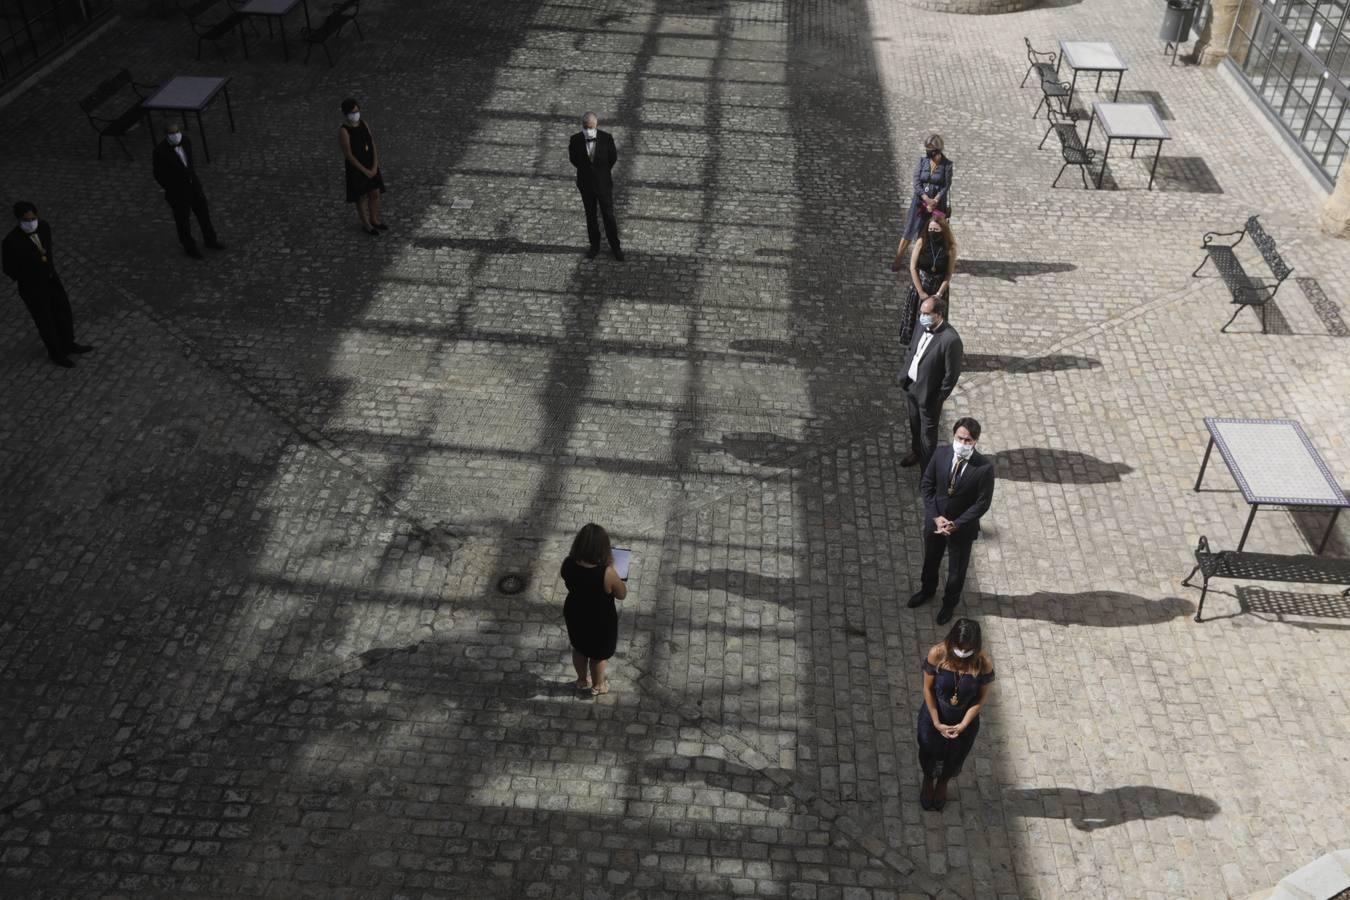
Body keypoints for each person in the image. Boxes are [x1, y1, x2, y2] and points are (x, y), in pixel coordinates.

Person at [909, 418, 995, 624]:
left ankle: (949, 603)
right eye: (960, 438)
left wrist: (956, 524)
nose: (963, 443)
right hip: (935, 522)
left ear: (975, 441)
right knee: (931, 559)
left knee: (956, 570)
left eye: (968, 440)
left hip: (961, 529)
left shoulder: (984, 469)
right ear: (954, 436)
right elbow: (927, 485)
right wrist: (936, 517)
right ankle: (927, 590)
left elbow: (981, 504)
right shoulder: (941, 453)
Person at [2, 201, 93, 368]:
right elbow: (8, 268)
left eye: (33, 218)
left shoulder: (44, 227)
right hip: (33, 288)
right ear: (18, 220)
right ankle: (56, 353)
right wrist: (29, 275)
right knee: (46, 321)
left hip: (51, 280)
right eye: (26, 220)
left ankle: (68, 343)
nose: (30, 223)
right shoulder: (11, 242)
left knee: (63, 311)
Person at [916, 617, 994, 811]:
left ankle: (942, 783)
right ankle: (928, 779)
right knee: (928, 751)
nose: (961, 657)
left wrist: (964, 724)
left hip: (963, 722)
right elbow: (928, 689)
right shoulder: (937, 653)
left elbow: (980, 699)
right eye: (958, 649)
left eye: (967, 651)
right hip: (934, 715)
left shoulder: (983, 663)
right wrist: (936, 722)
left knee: (955, 756)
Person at [560, 522, 628, 695]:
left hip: (575, 613)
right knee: (598, 656)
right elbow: (621, 594)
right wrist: (611, 569)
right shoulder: (606, 573)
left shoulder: (568, 563)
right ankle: (598, 685)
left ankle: (581, 680)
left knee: (580, 648)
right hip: (600, 620)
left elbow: (567, 578)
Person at [898, 295, 962, 470]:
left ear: (939, 314)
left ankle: (927, 471)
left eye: (926, 313)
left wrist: (938, 397)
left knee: (928, 435)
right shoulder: (921, 325)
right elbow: (912, 348)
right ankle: (916, 452)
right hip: (911, 386)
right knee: (914, 425)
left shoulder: (951, 340)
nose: (922, 316)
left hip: (929, 395)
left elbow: (951, 375)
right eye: (921, 312)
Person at [152, 122, 222, 259]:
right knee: (183, 221)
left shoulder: (186, 141)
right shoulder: (160, 151)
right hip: (177, 192)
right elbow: (158, 174)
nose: (175, 135)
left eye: (176, 132)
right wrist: (171, 187)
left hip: (193, 186)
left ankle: (210, 240)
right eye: (172, 133)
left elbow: (189, 163)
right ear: (167, 135)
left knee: (203, 214)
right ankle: (189, 247)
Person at [891, 134, 953, 272]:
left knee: (932, 232)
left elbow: (946, 185)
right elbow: (917, 182)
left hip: (937, 205)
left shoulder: (947, 165)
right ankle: (898, 258)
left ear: (938, 149)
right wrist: (926, 198)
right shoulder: (922, 161)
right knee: (909, 230)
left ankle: (925, 260)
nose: (928, 152)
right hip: (920, 203)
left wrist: (936, 199)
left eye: (930, 149)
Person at [568, 111, 623, 261]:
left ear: (596, 125)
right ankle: (595, 246)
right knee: (590, 216)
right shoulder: (575, 140)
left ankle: (615, 246)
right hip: (586, 185)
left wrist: (602, 173)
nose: (588, 130)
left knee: (608, 216)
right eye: (586, 127)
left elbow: (612, 158)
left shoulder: (606, 138)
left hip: (603, 184)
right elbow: (574, 160)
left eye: (591, 127)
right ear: (582, 126)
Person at [900, 210, 956, 346]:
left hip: (938, 289)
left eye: (936, 230)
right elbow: (913, 267)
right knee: (916, 320)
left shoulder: (949, 249)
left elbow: (948, 274)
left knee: (934, 321)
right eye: (930, 229)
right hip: (921, 286)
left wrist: (938, 294)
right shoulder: (921, 242)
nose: (932, 232)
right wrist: (920, 292)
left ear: (943, 231)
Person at [339, 98, 386, 236]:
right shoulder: (344, 131)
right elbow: (348, 155)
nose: (356, 114)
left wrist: (375, 165)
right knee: (361, 197)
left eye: (357, 111)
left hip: (370, 164)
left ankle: (374, 219)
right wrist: (365, 170)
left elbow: (372, 144)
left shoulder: (364, 124)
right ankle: (366, 224)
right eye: (352, 112)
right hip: (357, 168)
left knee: (375, 193)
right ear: (346, 113)